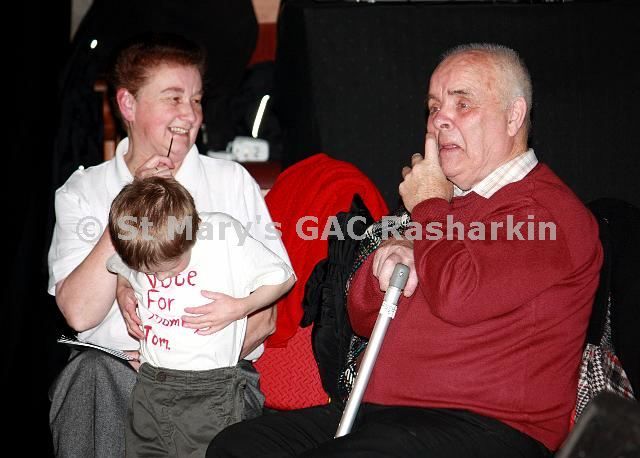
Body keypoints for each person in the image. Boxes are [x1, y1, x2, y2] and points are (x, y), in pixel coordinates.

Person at [206, 43, 603, 457]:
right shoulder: (443, 204)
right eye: (434, 107)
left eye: (462, 104)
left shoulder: (548, 214)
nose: (440, 120)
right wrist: (385, 263)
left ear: (513, 115)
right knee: (237, 447)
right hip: (383, 415)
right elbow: (361, 317)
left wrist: (429, 207)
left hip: (489, 426)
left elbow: (458, 294)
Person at [47, 33, 291, 458]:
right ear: (128, 104)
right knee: (89, 375)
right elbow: (80, 314)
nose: (190, 115)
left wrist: (180, 366)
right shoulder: (83, 192)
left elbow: (266, 316)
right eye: (174, 98)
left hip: (215, 381)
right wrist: (128, 209)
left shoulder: (230, 182)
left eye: (196, 100)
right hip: (117, 375)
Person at [106, 176, 294, 456]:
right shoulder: (140, 240)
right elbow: (120, 267)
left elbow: (284, 277)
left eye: (169, 268)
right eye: (149, 272)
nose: (160, 278)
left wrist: (241, 306)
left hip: (209, 389)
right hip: (150, 384)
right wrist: (123, 290)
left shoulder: (222, 235)